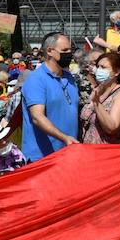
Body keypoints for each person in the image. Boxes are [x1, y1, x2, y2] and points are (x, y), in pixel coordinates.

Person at [20, 32, 80, 161]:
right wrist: (64, 138)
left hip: (68, 153)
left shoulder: (69, 78)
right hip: (42, 158)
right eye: (65, 50)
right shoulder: (36, 79)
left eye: (70, 50)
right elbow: (37, 117)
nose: (69, 53)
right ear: (50, 51)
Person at [81, 50, 120, 144]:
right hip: (88, 151)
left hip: (107, 153)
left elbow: (112, 127)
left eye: (103, 67)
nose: (99, 70)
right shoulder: (98, 90)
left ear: (116, 72)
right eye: (98, 66)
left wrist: (97, 104)